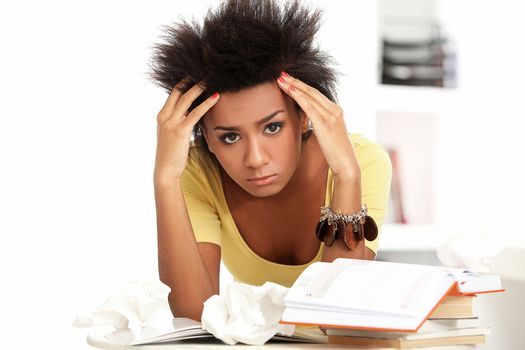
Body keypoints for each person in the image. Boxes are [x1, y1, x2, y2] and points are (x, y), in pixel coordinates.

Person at [150, 0, 392, 321]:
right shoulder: (198, 172)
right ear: (206, 137)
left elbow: (338, 312)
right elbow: (195, 315)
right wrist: (165, 178)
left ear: (303, 117)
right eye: (230, 137)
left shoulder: (362, 161)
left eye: (272, 127)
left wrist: (347, 175)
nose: (255, 159)